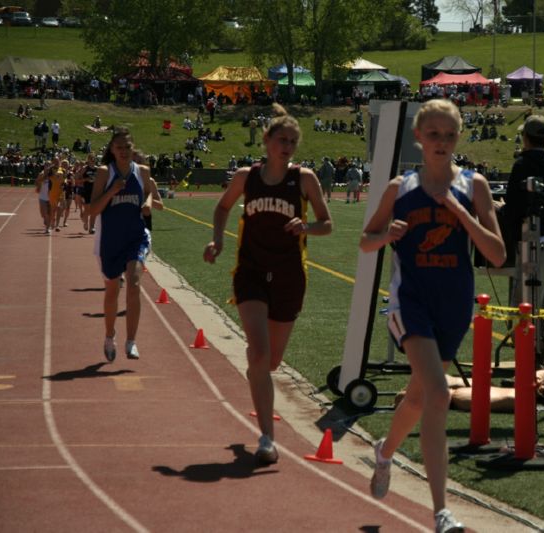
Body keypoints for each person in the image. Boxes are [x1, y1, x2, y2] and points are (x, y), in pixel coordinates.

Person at [361, 99, 505, 533]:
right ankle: (441, 511)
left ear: (458, 138)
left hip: (454, 304)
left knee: (421, 397)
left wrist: (461, 213)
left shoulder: (474, 186)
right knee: (440, 396)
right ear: (419, 138)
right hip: (412, 303)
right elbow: (366, 242)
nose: (442, 142)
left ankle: (385, 452)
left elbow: (496, 255)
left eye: (450, 134)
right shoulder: (399, 189)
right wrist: (387, 234)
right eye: (434, 134)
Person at [203, 103, 332, 466]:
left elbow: (327, 223)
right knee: (259, 355)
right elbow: (222, 207)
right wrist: (218, 240)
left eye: (292, 140)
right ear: (267, 141)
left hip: (290, 275)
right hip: (252, 272)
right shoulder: (247, 177)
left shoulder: (304, 179)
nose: (287, 145)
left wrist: (306, 227)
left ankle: (257, 376)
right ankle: (266, 438)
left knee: (270, 362)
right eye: (281, 139)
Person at [505, 114, 544, 365]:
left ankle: (527, 359)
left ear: (526, 138)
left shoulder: (522, 164)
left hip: (533, 241)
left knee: (528, 305)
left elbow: (513, 207)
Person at [89, 128, 153, 361]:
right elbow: (92, 210)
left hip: (135, 237)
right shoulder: (105, 173)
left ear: (132, 148)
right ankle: (109, 335)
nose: (124, 151)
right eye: (119, 147)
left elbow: (148, 194)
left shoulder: (142, 171)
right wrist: (112, 191)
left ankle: (131, 341)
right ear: (112, 150)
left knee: (134, 283)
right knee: (112, 292)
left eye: (127, 147)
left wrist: (146, 203)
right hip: (110, 241)